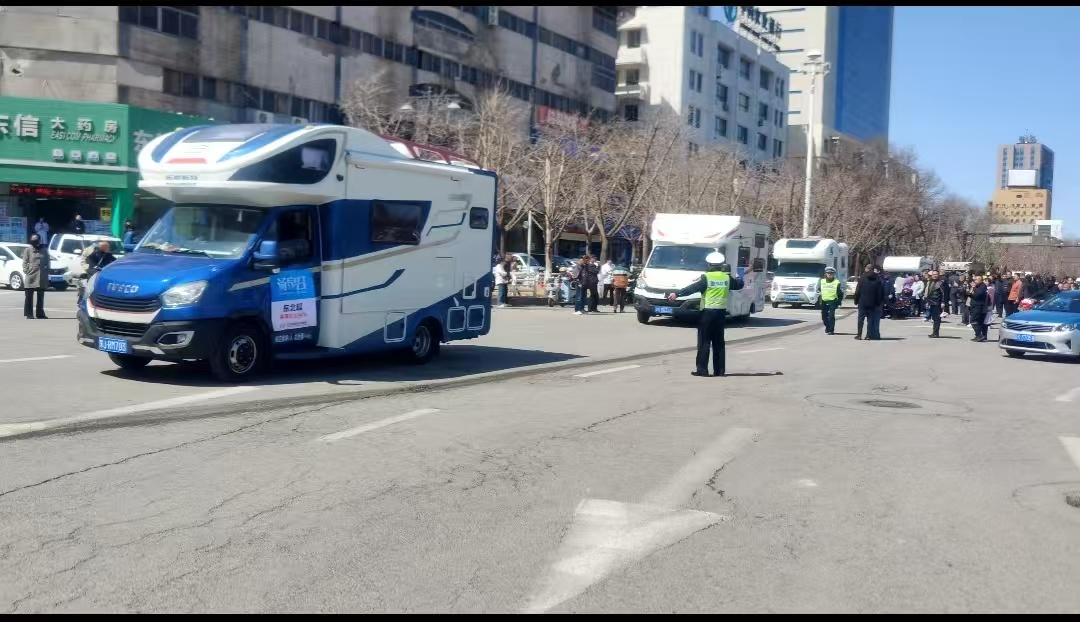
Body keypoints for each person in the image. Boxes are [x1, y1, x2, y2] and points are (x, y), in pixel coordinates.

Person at [667, 252, 744, 377]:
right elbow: (739, 285)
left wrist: (677, 294)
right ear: (721, 265)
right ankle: (719, 371)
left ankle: (702, 370)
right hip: (721, 314)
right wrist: (739, 275)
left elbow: (692, 288)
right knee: (719, 343)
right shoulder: (726, 278)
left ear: (709, 265)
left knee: (704, 342)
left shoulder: (706, 278)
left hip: (707, 314)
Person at [21, 234, 49, 320]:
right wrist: (27, 271)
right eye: (32, 240)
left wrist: (46, 272)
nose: (34, 241)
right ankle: (29, 314)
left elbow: (47, 262)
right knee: (29, 296)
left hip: (41, 276)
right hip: (31, 275)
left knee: (40, 296)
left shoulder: (44, 250)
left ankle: (40, 313)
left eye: (36, 239)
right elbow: (24, 262)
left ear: (39, 240)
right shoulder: (28, 250)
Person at [853, 263, 883, 340]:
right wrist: (878, 302)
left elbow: (858, 291)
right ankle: (868, 335)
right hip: (873, 302)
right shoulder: (877, 279)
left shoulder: (862, 278)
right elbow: (879, 292)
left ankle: (859, 335)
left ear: (867, 268)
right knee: (870, 320)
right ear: (873, 269)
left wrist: (856, 300)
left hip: (862, 302)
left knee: (861, 319)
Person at [819, 266, 844, 335]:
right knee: (824, 317)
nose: (830, 275)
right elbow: (819, 291)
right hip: (824, 302)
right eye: (828, 273)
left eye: (831, 274)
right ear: (826, 274)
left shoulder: (836, 282)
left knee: (831, 316)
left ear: (833, 274)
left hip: (833, 301)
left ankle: (831, 330)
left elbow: (840, 294)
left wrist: (839, 302)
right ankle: (827, 327)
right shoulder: (822, 281)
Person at [925, 270, 945, 338]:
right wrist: (927, 301)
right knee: (933, 318)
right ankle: (934, 332)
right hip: (931, 301)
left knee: (937, 318)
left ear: (938, 275)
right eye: (933, 274)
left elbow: (943, 293)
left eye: (936, 274)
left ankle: (936, 333)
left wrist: (943, 302)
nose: (935, 275)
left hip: (937, 302)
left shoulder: (940, 283)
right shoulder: (930, 282)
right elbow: (928, 292)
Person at [969, 275, 989, 342]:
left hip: (978, 306)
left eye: (976, 280)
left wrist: (974, 289)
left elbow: (977, 295)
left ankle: (980, 335)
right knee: (978, 321)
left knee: (973, 321)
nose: (975, 281)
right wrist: (972, 288)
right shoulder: (976, 286)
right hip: (974, 306)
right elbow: (969, 294)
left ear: (981, 280)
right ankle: (978, 335)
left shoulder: (982, 287)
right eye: (975, 280)